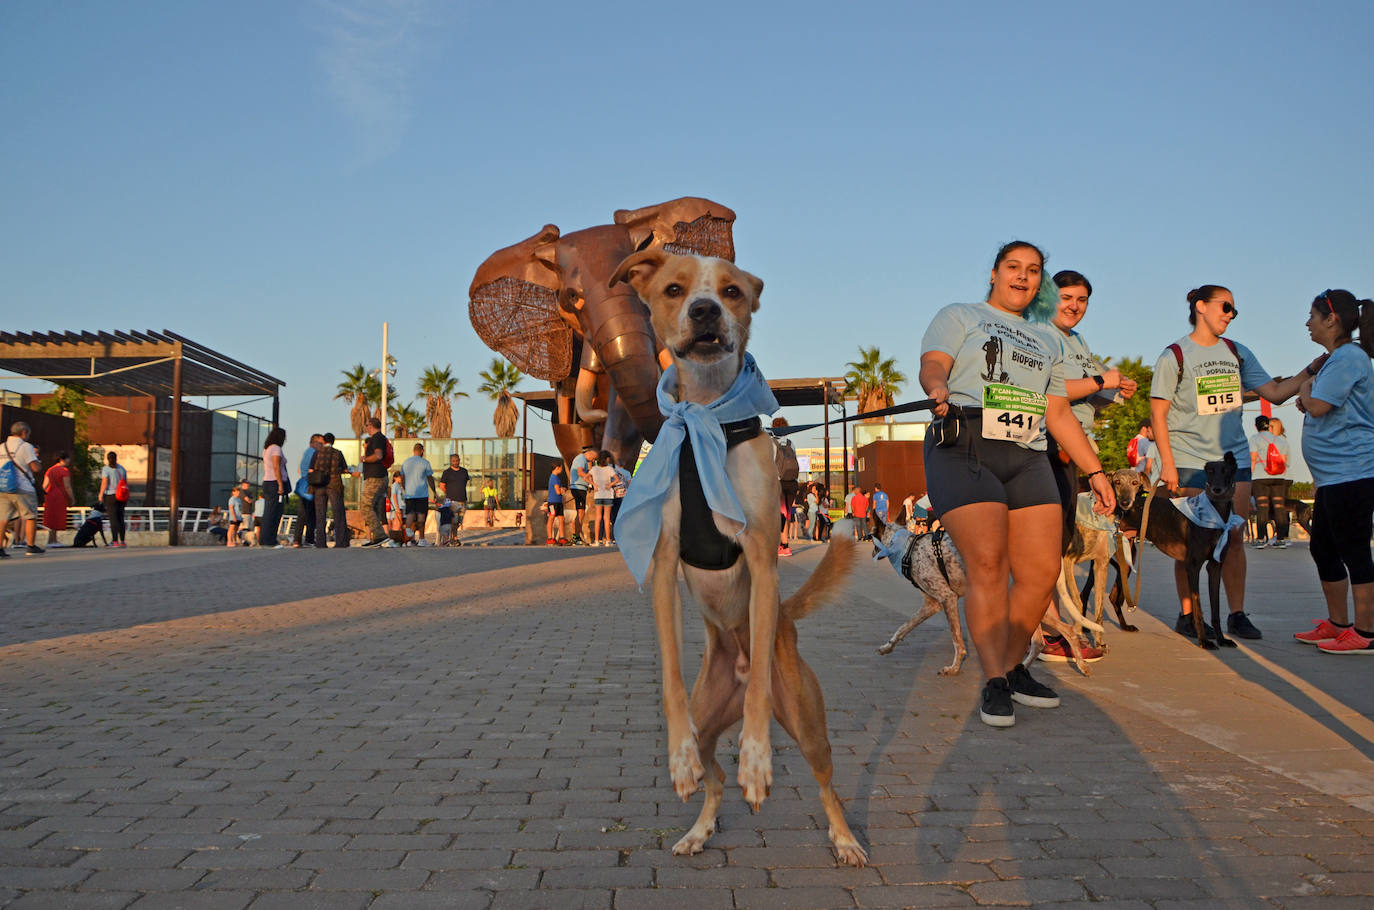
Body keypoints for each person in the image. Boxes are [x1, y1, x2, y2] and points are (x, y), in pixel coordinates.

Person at [919, 240, 1114, 727]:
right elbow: (934, 362)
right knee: (987, 564)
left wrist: (1096, 470)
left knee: (1042, 571)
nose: (1022, 277)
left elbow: (1059, 413)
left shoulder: (1046, 339)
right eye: (1013, 267)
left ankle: (1009, 665)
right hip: (965, 443)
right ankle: (994, 681)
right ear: (994, 273)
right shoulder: (961, 314)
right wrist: (936, 386)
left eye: (1033, 271)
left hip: (1027, 452)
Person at [1150, 284, 1306, 641]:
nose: (1231, 314)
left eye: (1235, 309)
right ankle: (1190, 615)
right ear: (1201, 307)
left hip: (1233, 462)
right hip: (1190, 460)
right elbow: (1158, 414)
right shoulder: (1174, 354)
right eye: (1225, 307)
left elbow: (1276, 393)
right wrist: (1168, 465)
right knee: (1190, 542)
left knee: (1234, 536)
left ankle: (1236, 614)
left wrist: (1311, 370)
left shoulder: (1238, 352)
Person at [1039, 269, 1139, 663]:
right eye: (1066, 297)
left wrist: (1116, 390)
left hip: (1074, 448)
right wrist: (1101, 380)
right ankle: (1047, 631)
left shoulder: (1077, 340)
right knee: (1045, 547)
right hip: (1045, 445)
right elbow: (1047, 390)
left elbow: (1087, 392)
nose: (1074, 306)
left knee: (1056, 544)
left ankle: (1052, 627)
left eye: (1082, 300)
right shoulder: (1040, 334)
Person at [1289, 290, 1374, 654]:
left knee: (1354, 550)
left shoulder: (1349, 357)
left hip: (1352, 472)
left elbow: (1318, 405)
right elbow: (1314, 402)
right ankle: (1338, 623)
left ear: (1331, 319)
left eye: (1311, 316)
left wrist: (1307, 391)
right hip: (1333, 477)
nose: (1307, 322)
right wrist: (1309, 395)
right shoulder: (1336, 359)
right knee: (1323, 547)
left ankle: (1367, 632)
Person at [0, 421, 44, 557]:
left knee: (2, 518)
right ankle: (30, 546)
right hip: (22, 487)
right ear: (24, 432)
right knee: (30, 516)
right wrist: (38, 462)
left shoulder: (2, 447)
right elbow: (35, 467)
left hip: (3, 486)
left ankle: (0, 548)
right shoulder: (26, 447)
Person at [1249, 415, 1292, 548]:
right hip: (1279, 477)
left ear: (1256, 426)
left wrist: (1250, 476)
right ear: (1268, 425)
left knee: (1263, 508)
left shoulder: (1255, 439)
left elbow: (1253, 459)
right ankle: (1281, 539)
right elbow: (1285, 461)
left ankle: (1261, 539)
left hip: (1260, 477)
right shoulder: (1280, 440)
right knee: (1279, 507)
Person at [311, 432, 351, 548]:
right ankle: (341, 542)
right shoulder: (338, 453)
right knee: (338, 513)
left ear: (323, 441)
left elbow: (311, 469)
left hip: (319, 486)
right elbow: (345, 469)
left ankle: (320, 542)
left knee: (320, 514)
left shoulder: (317, 453)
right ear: (333, 441)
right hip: (334, 485)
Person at [358, 417, 390, 547]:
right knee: (375, 507)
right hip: (380, 476)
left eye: (366, 425)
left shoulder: (376, 438)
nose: (366, 428)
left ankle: (380, 535)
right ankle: (377, 538)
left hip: (375, 477)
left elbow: (378, 455)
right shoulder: (380, 438)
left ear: (371, 425)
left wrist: (365, 459)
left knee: (365, 506)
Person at [259, 427, 289, 548]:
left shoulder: (266, 449)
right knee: (274, 512)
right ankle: (269, 540)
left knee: (269, 511)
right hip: (274, 482)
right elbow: (276, 467)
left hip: (268, 481)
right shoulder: (276, 448)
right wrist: (280, 484)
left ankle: (266, 539)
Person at [401, 443, 436, 546]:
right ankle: (421, 539)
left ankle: (408, 538)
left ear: (413, 450)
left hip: (409, 494)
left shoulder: (406, 462)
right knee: (421, 516)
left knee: (410, 515)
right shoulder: (425, 463)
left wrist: (405, 489)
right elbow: (430, 478)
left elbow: (402, 478)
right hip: (422, 494)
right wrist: (434, 491)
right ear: (422, 451)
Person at [294, 433, 323, 548]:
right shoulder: (313, 453)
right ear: (314, 442)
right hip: (310, 486)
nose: (322, 446)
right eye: (320, 443)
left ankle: (297, 539)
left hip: (303, 485)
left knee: (302, 513)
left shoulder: (306, 452)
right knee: (311, 513)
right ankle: (309, 539)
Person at [42, 451, 75, 547]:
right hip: (60, 496)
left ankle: (51, 540)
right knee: (57, 518)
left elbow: (44, 485)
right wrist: (72, 498)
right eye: (67, 458)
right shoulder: (64, 471)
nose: (69, 460)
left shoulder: (50, 470)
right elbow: (67, 487)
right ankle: (53, 540)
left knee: (51, 518)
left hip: (50, 496)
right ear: (62, 459)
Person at [97, 449, 128, 548]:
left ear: (107, 459)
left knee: (113, 519)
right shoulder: (122, 469)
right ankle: (122, 541)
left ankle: (115, 541)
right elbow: (125, 483)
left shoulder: (106, 469)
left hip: (110, 496)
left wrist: (101, 494)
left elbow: (105, 482)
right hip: (121, 496)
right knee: (121, 518)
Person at [589, 450, 618, 546]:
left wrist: (594, 485)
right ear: (606, 459)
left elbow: (586, 477)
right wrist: (610, 484)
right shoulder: (609, 469)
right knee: (606, 517)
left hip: (598, 495)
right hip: (608, 495)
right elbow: (617, 479)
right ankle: (608, 541)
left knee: (598, 517)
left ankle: (597, 541)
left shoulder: (594, 469)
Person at [439, 454, 470, 544]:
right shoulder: (447, 472)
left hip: (462, 499)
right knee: (453, 520)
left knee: (459, 521)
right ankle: (453, 538)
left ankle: (454, 537)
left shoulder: (464, 471)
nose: (455, 462)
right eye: (453, 461)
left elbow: (465, 483)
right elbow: (442, 486)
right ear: (451, 461)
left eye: (457, 460)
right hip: (451, 501)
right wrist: (449, 493)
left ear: (459, 460)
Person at [568, 444, 595, 545]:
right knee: (580, 513)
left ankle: (577, 536)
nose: (593, 460)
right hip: (578, 488)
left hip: (581, 488)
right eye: (593, 458)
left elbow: (587, 473)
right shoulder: (581, 458)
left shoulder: (585, 461)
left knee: (581, 513)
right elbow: (580, 472)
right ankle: (576, 537)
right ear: (589, 453)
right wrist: (593, 484)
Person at [610, 456, 631, 543]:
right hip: (622, 496)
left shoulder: (611, 470)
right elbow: (630, 485)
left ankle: (613, 536)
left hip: (611, 495)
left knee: (613, 517)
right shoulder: (626, 472)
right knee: (621, 516)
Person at [546, 463, 569, 545]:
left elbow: (559, 489)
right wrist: (562, 490)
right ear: (557, 468)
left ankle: (562, 537)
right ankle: (549, 538)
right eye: (561, 468)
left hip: (559, 502)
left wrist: (562, 489)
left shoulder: (557, 478)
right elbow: (558, 491)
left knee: (561, 519)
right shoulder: (554, 478)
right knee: (551, 519)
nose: (562, 469)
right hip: (553, 502)